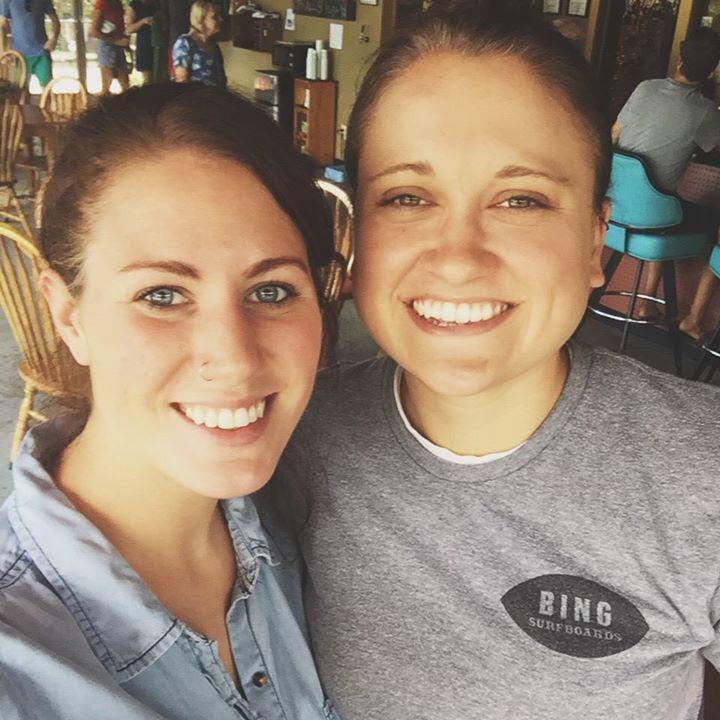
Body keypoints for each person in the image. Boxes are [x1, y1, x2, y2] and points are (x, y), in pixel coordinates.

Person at [273, 1, 720, 718]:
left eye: (521, 200)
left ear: (596, 238)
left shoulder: (703, 469)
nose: (458, 258)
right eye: (408, 196)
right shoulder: (288, 441)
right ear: (357, 231)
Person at [0, 82, 341, 720]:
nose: (235, 358)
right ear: (69, 316)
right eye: (161, 295)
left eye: (271, 291)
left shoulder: (318, 518)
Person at [613, 28, 720, 337]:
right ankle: (693, 320)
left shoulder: (645, 88)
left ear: (678, 61)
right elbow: (713, 148)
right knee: (705, 224)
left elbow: (614, 134)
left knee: (664, 208)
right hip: (655, 215)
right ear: (711, 73)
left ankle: (646, 304)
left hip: (614, 206)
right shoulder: (704, 111)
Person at [0, 0, 59, 90]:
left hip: (41, 53)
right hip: (19, 56)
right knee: (19, 93)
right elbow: (1, 25)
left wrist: (54, 39)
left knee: (47, 91)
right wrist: (3, 51)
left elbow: (55, 21)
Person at [172, 0, 225, 88]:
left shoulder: (214, 46)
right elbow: (181, 81)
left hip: (216, 95)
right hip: (195, 95)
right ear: (201, 20)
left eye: (219, 15)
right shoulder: (185, 43)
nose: (221, 19)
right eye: (214, 16)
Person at [89, 0, 130, 94]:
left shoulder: (117, 3)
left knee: (125, 85)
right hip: (107, 45)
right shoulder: (102, 3)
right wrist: (116, 41)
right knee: (107, 84)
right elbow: (93, 31)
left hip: (119, 44)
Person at [125, 0, 154, 84]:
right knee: (148, 78)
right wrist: (143, 21)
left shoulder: (157, 3)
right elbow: (129, 29)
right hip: (144, 43)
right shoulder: (134, 4)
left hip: (159, 42)